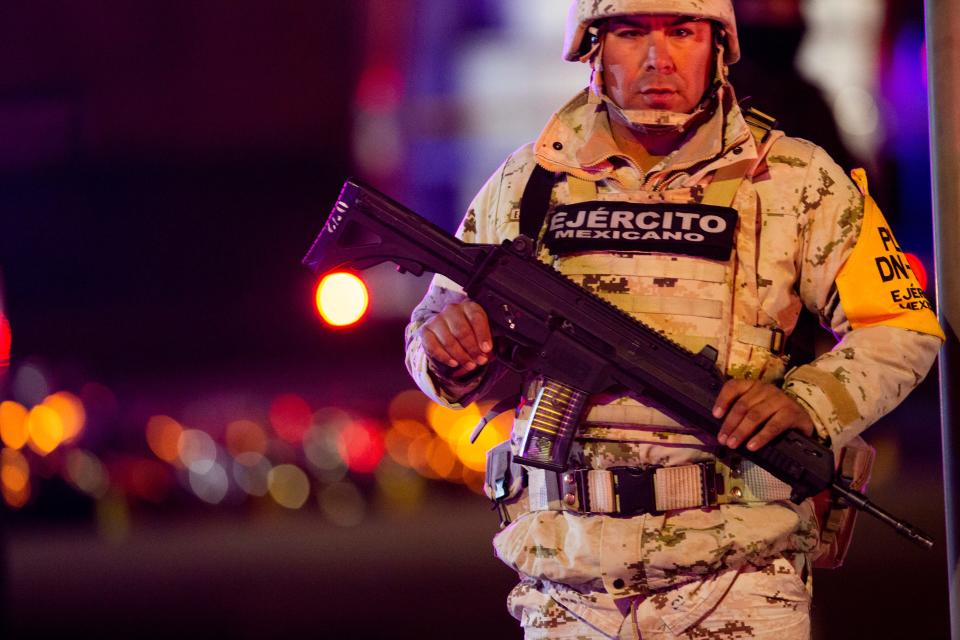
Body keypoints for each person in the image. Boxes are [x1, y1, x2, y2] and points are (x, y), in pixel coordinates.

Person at [404, 1, 944, 638]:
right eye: (632, 33)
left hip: (736, 581)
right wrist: (443, 349)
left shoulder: (795, 181)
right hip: (570, 588)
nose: (658, 58)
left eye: (682, 32)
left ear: (718, 47)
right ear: (593, 48)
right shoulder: (529, 184)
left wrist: (811, 402)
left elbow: (901, 324)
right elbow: (435, 319)